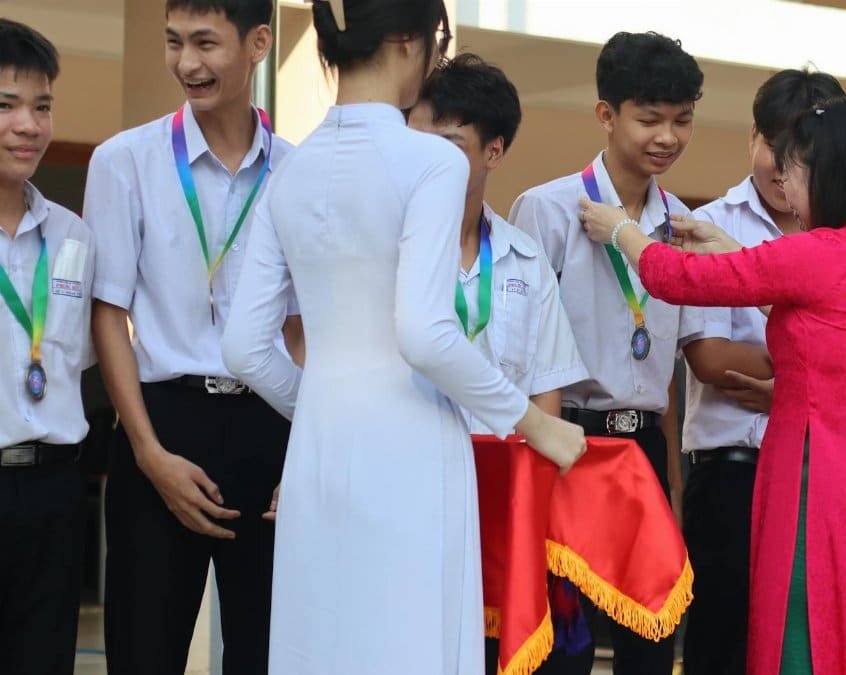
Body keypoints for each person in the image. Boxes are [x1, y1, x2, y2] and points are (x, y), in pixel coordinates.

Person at [219, 0, 586, 672]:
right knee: (411, 641)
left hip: (317, 448)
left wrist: (322, 402)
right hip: (411, 443)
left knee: (322, 642)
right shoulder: (431, 163)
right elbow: (423, 331)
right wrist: (535, 422)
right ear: (406, 40)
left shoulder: (291, 170)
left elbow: (243, 343)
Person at [580, 96, 846, 675]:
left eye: (793, 173)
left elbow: (676, 275)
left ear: (830, 174)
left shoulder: (820, 252)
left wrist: (621, 228)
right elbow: (831, 320)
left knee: (803, 643)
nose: (786, 188)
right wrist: (734, 250)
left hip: (819, 491)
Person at [84, 1, 300, 672]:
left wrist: (305, 453)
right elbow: (107, 313)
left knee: (266, 651)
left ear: (258, 42)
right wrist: (147, 451)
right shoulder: (125, 161)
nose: (186, 63)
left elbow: (303, 328)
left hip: (272, 425)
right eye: (174, 42)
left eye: (205, 43)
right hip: (162, 423)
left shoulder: (300, 173)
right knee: (143, 647)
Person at [508, 30, 704, 674]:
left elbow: (669, 375)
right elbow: (523, 351)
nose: (667, 137)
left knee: (650, 647)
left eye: (681, 121)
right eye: (649, 119)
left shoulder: (681, 226)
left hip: (641, 449)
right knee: (561, 653)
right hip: (567, 446)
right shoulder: (548, 209)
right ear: (606, 114)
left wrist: (672, 483)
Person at [406, 52, 590, 673]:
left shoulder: (526, 260)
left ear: (493, 151)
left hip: (501, 511)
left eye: (451, 144)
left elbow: (545, 399)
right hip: (408, 498)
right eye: (420, 141)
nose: (429, 160)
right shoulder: (386, 252)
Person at [680, 67, 843, 675]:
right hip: (732, 475)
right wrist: (821, 367)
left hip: (820, 478)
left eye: (804, 152)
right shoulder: (712, 225)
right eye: (776, 146)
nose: (785, 166)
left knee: (805, 650)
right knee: (721, 647)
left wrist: (795, 379)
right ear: (753, 135)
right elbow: (713, 358)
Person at [0, 19, 96, 675]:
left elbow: (79, 356)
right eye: (5, 106)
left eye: (42, 106)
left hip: (56, 491)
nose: (29, 125)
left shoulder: (72, 234)